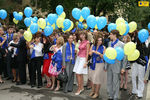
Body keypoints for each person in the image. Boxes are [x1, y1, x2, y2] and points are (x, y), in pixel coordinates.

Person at [104, 30, 126, 100]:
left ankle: (115, 97)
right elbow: (107, 54)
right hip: (109, 65)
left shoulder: (121, 44)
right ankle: (110, 96)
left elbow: (125, 57)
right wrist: (105, 65)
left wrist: (123, 68)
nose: (110, 36)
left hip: (117, 65)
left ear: (115, 35)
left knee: (116, 82)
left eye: (111, 34)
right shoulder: (109, 43)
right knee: (109, 81)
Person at [73, 30, 90, 95]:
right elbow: (79, 50)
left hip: (83, 59)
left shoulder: (87, 42)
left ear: (85, 35)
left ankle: (79, 88)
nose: (82, 36)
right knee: (80, 74)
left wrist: (86, 62)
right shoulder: (80, 42)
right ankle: (81, 87)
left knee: (78, 73)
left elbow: (87, 53)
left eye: (83, 34)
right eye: (81, 34)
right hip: (78, 58)